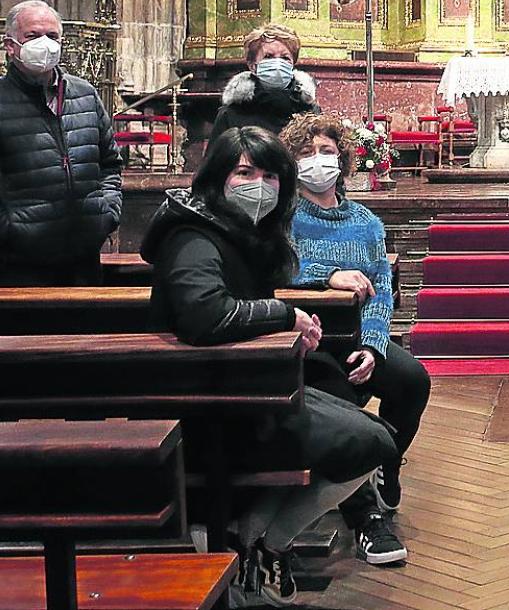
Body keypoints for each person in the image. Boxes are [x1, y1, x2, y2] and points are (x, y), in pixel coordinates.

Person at [141, 126, 396, 606]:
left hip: (245, 385)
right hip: (207, 402)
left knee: (372, 436)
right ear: (217, 177)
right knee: (367, 441)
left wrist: (287, 331)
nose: (259, 184)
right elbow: (205, 315)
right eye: (244, 172)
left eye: (270, 174)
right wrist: (284, 316)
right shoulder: (194, 234)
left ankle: (254, 540)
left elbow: (241, 303)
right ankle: (254, 541)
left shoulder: (242, 231)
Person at [279, 113, 431, 566]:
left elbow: (382, 290)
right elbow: (278, 275)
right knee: (340, 401)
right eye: (306, 154)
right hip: (308, 343)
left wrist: (373, 345)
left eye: (326, 152)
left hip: (357, 338)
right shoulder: (281, 217)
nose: (317, 161)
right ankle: (365, 517)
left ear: (343, 160)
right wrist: (328, 278)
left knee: (413, 381)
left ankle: (387, 459)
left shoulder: (365, 221)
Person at [0, 0, 122, 286]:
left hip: (83, 259)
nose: (45, 44)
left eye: (52, 36)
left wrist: (107, 212)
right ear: (10, 46)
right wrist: (9, 229)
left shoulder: (85, 94)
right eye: (32, 36)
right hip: (17, 264)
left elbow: (110, 164)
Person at [210, 23, 318, 144]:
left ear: (293, 64)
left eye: (285, 58)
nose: (278, 63)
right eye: (268, 57)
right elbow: (217, 160)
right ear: (252, 66)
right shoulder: (231, 114)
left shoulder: (310, 111)